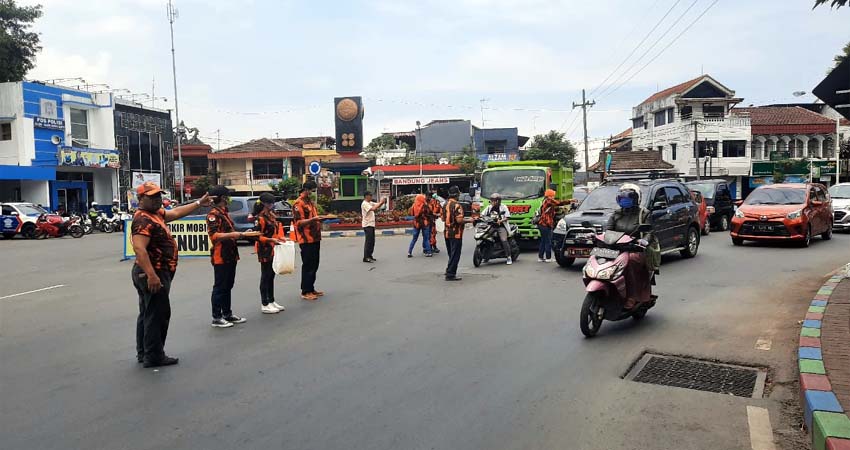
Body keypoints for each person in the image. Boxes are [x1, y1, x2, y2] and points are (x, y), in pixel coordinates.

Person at [130, 181, 213, 368]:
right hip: (152, 272)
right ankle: (154, 355)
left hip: (157, 271)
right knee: (157, 314)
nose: (158, 199)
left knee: (147, 312)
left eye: (159, 195)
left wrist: (199, 203)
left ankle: (145, 352)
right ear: (141, 199)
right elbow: (139, 249)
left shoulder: (156, 214)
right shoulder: (143, 219)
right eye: (152, 196)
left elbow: (175, 213)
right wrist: (152, 275)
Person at [206, 185, 259, 328]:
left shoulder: (224, 212)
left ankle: (227, 314)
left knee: (228, 285)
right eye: (227, 196)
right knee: (220, 286)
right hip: (220, 255)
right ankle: (217, 317)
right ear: (223, 198)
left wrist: (243, 234)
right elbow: (214, 236)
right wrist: (233, 235)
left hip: (230, 254)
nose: (229, 199)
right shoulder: (213, 214)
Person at [606, 183, 660, 309]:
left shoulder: (644, 213)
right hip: (617, 248)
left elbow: (649, 232)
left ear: (636, 199)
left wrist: (644, 241)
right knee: (600, 259)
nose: (625, 201)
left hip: (636, 249)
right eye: (623, 198)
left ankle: (633, 296)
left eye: (628, 198)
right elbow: (608, 230)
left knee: (630, 261)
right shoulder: (616, 214)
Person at [292, 180, 331, 301]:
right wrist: (313, 219)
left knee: (315, 264)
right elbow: (298, 223)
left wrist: (320, 219)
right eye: (312, 190)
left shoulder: (310, 202)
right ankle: (305, 290)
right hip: (306, 238)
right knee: (308, 265)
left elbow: (313, 218)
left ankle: (311, 287)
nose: (312, 193)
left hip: (315, 237)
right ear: (306, 190)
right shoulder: (298, 204)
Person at [253, 193, 287, 314]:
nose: (272, 205)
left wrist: (280, 239)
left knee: (271, 275)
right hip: (264, 249)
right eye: (270, 203)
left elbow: (275, 231)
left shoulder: (271, 216)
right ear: (264, 204)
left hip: (273, 248)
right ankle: (264, 303)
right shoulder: (260, 218)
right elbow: (257, 236)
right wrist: (270, 240)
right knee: (265, 276)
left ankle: (271, 300)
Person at [442, 186, 473, 281]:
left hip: (447, 232)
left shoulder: (445, 204)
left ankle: (448, 270)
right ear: (457, 194)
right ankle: (450, 274)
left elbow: (442, 218)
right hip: (456, 233)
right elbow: (459, 220)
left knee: (451, 253)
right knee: (455, 254)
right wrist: (469, 220)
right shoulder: (457, 205)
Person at [537, 189, 569, 262]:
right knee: (548, 241)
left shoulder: (544, 201)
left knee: (543, 241)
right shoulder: (549, 200)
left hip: (541, 224)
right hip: (546, 224)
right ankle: (548, 258)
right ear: (550, 196)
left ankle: (540, 257)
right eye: (553, 195)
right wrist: (569, 201)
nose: (553, 197)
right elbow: (559, 203)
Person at [480, 192, 513, 265]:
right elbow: (482, 214)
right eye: (491, 200)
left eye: (493, 200)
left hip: (501, 227)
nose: (492, 202)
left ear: (497, 201)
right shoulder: (489, 207)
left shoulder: (503, 207)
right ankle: (486, 256)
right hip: (491, 226)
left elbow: (507, 217)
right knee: (485, 237)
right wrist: (480, 218)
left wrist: (500, 221)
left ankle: (508, 257)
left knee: (504, 240)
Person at [361, 191, 386, 263]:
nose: (371, 197)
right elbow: (373, 209)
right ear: (366, 196)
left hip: (371, 224)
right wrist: (381, 202)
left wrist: (382, 201)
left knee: (372, 241)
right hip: (367, 225)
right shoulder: (364, 204)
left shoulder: (370, 203)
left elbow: (377, 205)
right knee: (368, 242)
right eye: (370, 195)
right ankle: (366, 257)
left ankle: (370, 255)